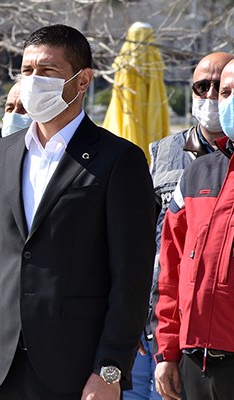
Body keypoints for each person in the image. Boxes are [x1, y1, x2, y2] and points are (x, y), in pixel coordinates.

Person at [0, 24, 157, 400]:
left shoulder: (118, 160)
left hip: (79, 372)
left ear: (83, 81)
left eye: (47, 71)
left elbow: (132, 278)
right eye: (27, 70)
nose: (33, 80)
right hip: (0, 368)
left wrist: (110, 371)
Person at [134, 51, 234, 400]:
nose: (210, 96)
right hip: (171, 334)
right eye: (202, 87)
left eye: (220, 88)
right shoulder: (167, 154)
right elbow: (158, 251)